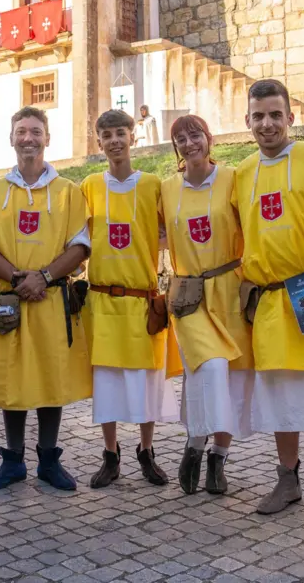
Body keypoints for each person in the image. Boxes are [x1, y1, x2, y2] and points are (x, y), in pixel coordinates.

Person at [232, 79, 304, 520]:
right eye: (259, 116)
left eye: (275, 115)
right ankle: (288, 479)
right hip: (269, 299)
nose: (267, 124)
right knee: (281, 393)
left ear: (290, 117)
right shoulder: (242, 173)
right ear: (248, 121)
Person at [0, 106, 92, 492]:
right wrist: (16, 277)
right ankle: (13, 461)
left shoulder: (68, 191)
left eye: (36, 131)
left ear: (48, 138)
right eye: (22, 131)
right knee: (12, 377)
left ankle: (48, 459)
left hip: (50, 299)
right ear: (11, 138)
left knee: (49, 374)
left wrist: (43, 276)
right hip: (10, 300)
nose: (29, 138)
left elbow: (80, 246)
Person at [81, 109, 178, 488]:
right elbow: (80, 236)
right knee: (107, 383)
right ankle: (110, 455)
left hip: (141, 300)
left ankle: (146, 450)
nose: (115, 141)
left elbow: (169, 231)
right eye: (107, 135)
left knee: (145, 382)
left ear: (133, 137)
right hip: (103, 300)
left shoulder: (152, 185)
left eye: (121, 133)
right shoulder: (90, 186)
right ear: (99, 142)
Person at [162, 115, 254, 496]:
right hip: (189, 294)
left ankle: (218, 457)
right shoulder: (167, 188)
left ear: (208, 138)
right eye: (180, 139)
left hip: (229, 287)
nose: (189, 144)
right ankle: (196, 443)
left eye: (194, 135)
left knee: (232, 377)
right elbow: (151, 233)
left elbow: (253, 226)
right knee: (209, 368)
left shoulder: (233, 178)